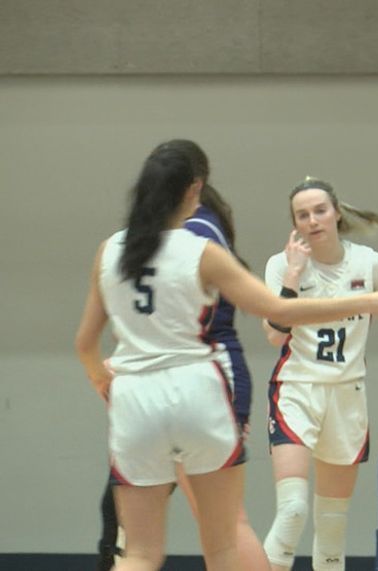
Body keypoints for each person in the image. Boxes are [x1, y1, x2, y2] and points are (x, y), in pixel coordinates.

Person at [75, 146, 378, 571]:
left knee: (141, 553)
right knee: (223, 545)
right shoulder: (200, 250)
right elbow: (279, 313)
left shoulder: (110, 250)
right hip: (196, 391)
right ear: (193, 190)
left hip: (134, 398)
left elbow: (85, 342)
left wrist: (100, 379)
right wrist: (371, 300)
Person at [94, 139, 271, 571]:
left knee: (221, 530)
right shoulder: (179, 231)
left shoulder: (191, 232)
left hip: (204, 374)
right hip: (177, 380)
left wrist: (105, 372)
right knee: (134, 527)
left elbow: (270, 309)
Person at [261, 177, 378, 571]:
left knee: (331, 532)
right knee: (292, 510)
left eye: (320, 210)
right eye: (302, 215)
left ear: (337, 212)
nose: (313, 220)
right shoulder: (281, 265)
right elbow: (275, 334)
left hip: (347, 395)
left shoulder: (369, 263)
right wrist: (292, 278)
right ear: (294, 223)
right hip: (296, 389)